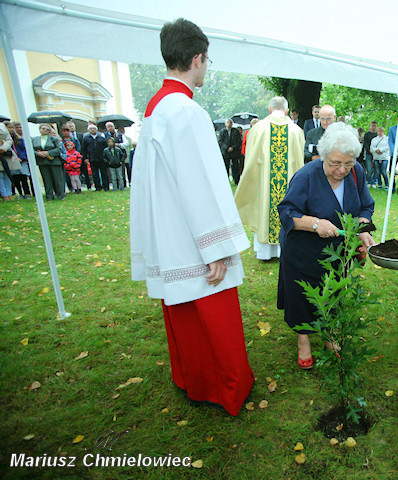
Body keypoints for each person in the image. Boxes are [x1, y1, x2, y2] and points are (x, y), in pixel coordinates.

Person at [129, 18, 254, 416]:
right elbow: (200, 184)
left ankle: (192, 378)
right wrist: (214, 247)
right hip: (192, 236)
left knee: (185, 316)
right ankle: (227, 387)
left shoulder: (155, 109)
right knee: (213, 316)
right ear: (197, 58)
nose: (206, 68)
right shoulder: (185, 111)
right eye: (207, 61)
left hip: (170, 232)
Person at [277, 122, 375, 369]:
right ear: (322, 156)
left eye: (348, 163)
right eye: (335, 163)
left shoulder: (357, 172)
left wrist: (361, 229)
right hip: (302, 251)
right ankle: (303, 341)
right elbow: (286, 213)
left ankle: (329, 336)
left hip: (338, 253)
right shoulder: (306, 176)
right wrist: (314, 224)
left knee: (333, 292)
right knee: (302, 296)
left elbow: (365, 205)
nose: (342, 169)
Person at [234, 96, 305, 261]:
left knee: (265, 206)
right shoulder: (296, 130)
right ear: (287, 110)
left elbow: (250, 159)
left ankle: (265, 253)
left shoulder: (258, 128)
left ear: (269, 109)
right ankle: (283, 250)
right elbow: (299, 160)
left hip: (265, 182)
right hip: (288, 181)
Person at [32, 123, 65, 200]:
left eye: (47, 129)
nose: (45, 130)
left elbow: (59, 149)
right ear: (40, 129)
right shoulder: (34, 139)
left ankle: (60, 195)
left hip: (54, 161)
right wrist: (38, 153)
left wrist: (48, 153)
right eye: (43, 128)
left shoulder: (54, 139)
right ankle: (49, 196)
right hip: (42, 162)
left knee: (57, 179)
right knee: (46, 179)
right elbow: (30, 149)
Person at [81, 124, 108, 191]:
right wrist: (85, 158)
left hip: (102, 158)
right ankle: (98, 187)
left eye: (94, 128)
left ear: (97, 129)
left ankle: (106, 187)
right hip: (92, 159)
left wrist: (106, 157)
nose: (93, 130)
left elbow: (106, 148)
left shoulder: (101, 138)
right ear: (88, 130)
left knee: (104, 173)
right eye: (91, 128)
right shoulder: (86, 139)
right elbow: (83, 149)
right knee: (95, 174)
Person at [218, 119, 243, 184]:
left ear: (232, 124)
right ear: (225, 124)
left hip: (234, 152)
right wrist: (227, 148)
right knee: (225, 166)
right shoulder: (222, 132)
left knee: (235, 167)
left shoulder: (235, 131)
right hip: (225, 152)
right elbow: (220, 141)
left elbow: (238, 141)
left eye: (230, 122)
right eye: (228, 122)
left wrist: (232, 147)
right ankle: (226, 181)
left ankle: (237, 181)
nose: (229, 123)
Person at [11, 122, 32, 198]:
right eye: (17, 127)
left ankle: (27, 193)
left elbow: (25, 150)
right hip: (13, 161)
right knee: (16, 178)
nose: (19, 129)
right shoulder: (9, 140)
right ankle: (20, 193)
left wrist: (22, 158)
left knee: (23, 178)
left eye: (20, 127)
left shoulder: (20, 140)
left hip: (22, 161)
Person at [362, 121, 378, 187]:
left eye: (375, 126)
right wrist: (369, 150)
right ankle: (369, 181)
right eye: (372, 126)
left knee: (376, 169)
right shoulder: (367, 134)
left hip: (376, 154)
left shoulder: (377, 135)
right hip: (368, 153)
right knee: (369, 168)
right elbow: (365, 144)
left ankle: (374, 181)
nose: (373, 127)